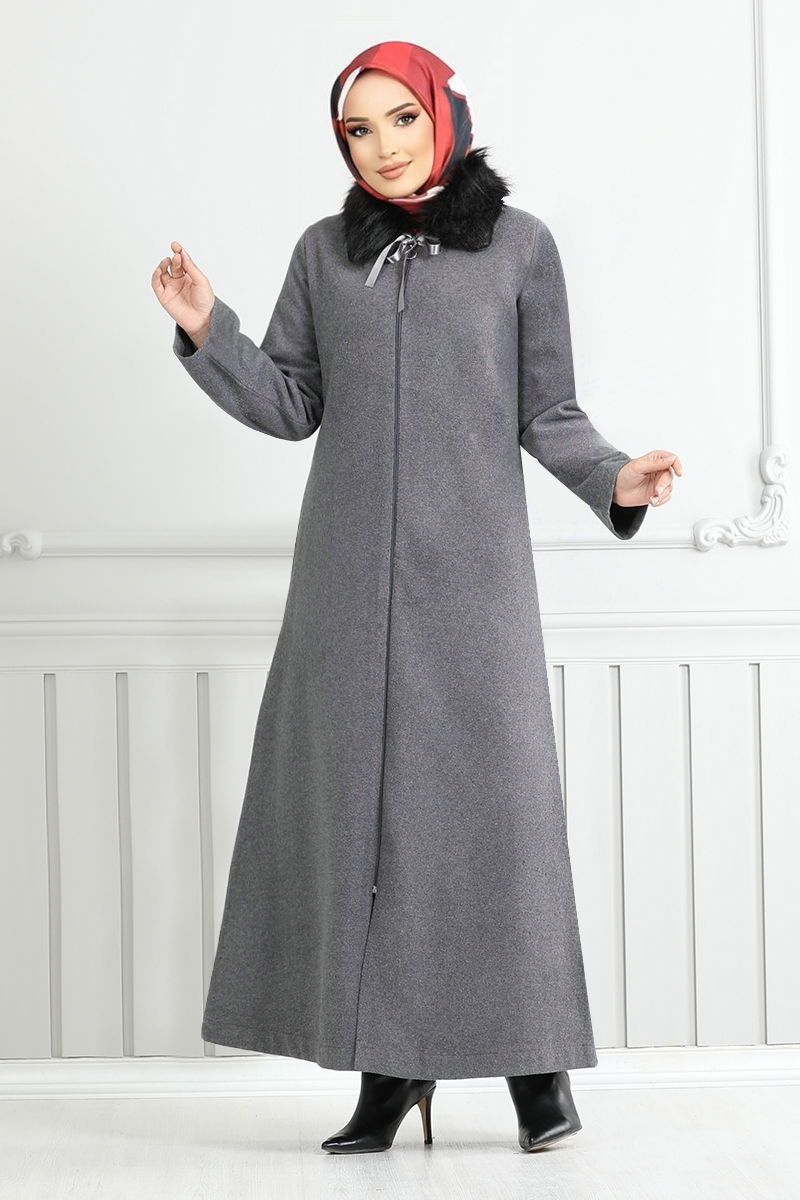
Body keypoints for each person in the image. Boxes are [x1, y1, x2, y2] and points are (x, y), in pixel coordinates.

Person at [152, 40, 683, 1155]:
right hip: (345, 589)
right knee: (363, 826)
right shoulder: (324, 252)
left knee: (499, 819)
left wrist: (615, 478)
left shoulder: (519, 247)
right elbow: (292, 403)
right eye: (359, 129)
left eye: (402, 117)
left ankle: (538, 1069)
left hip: (474, 582)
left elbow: (548, 411)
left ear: (446, 114)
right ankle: (389, 1074)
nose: (383, 146)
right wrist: (209, 327)